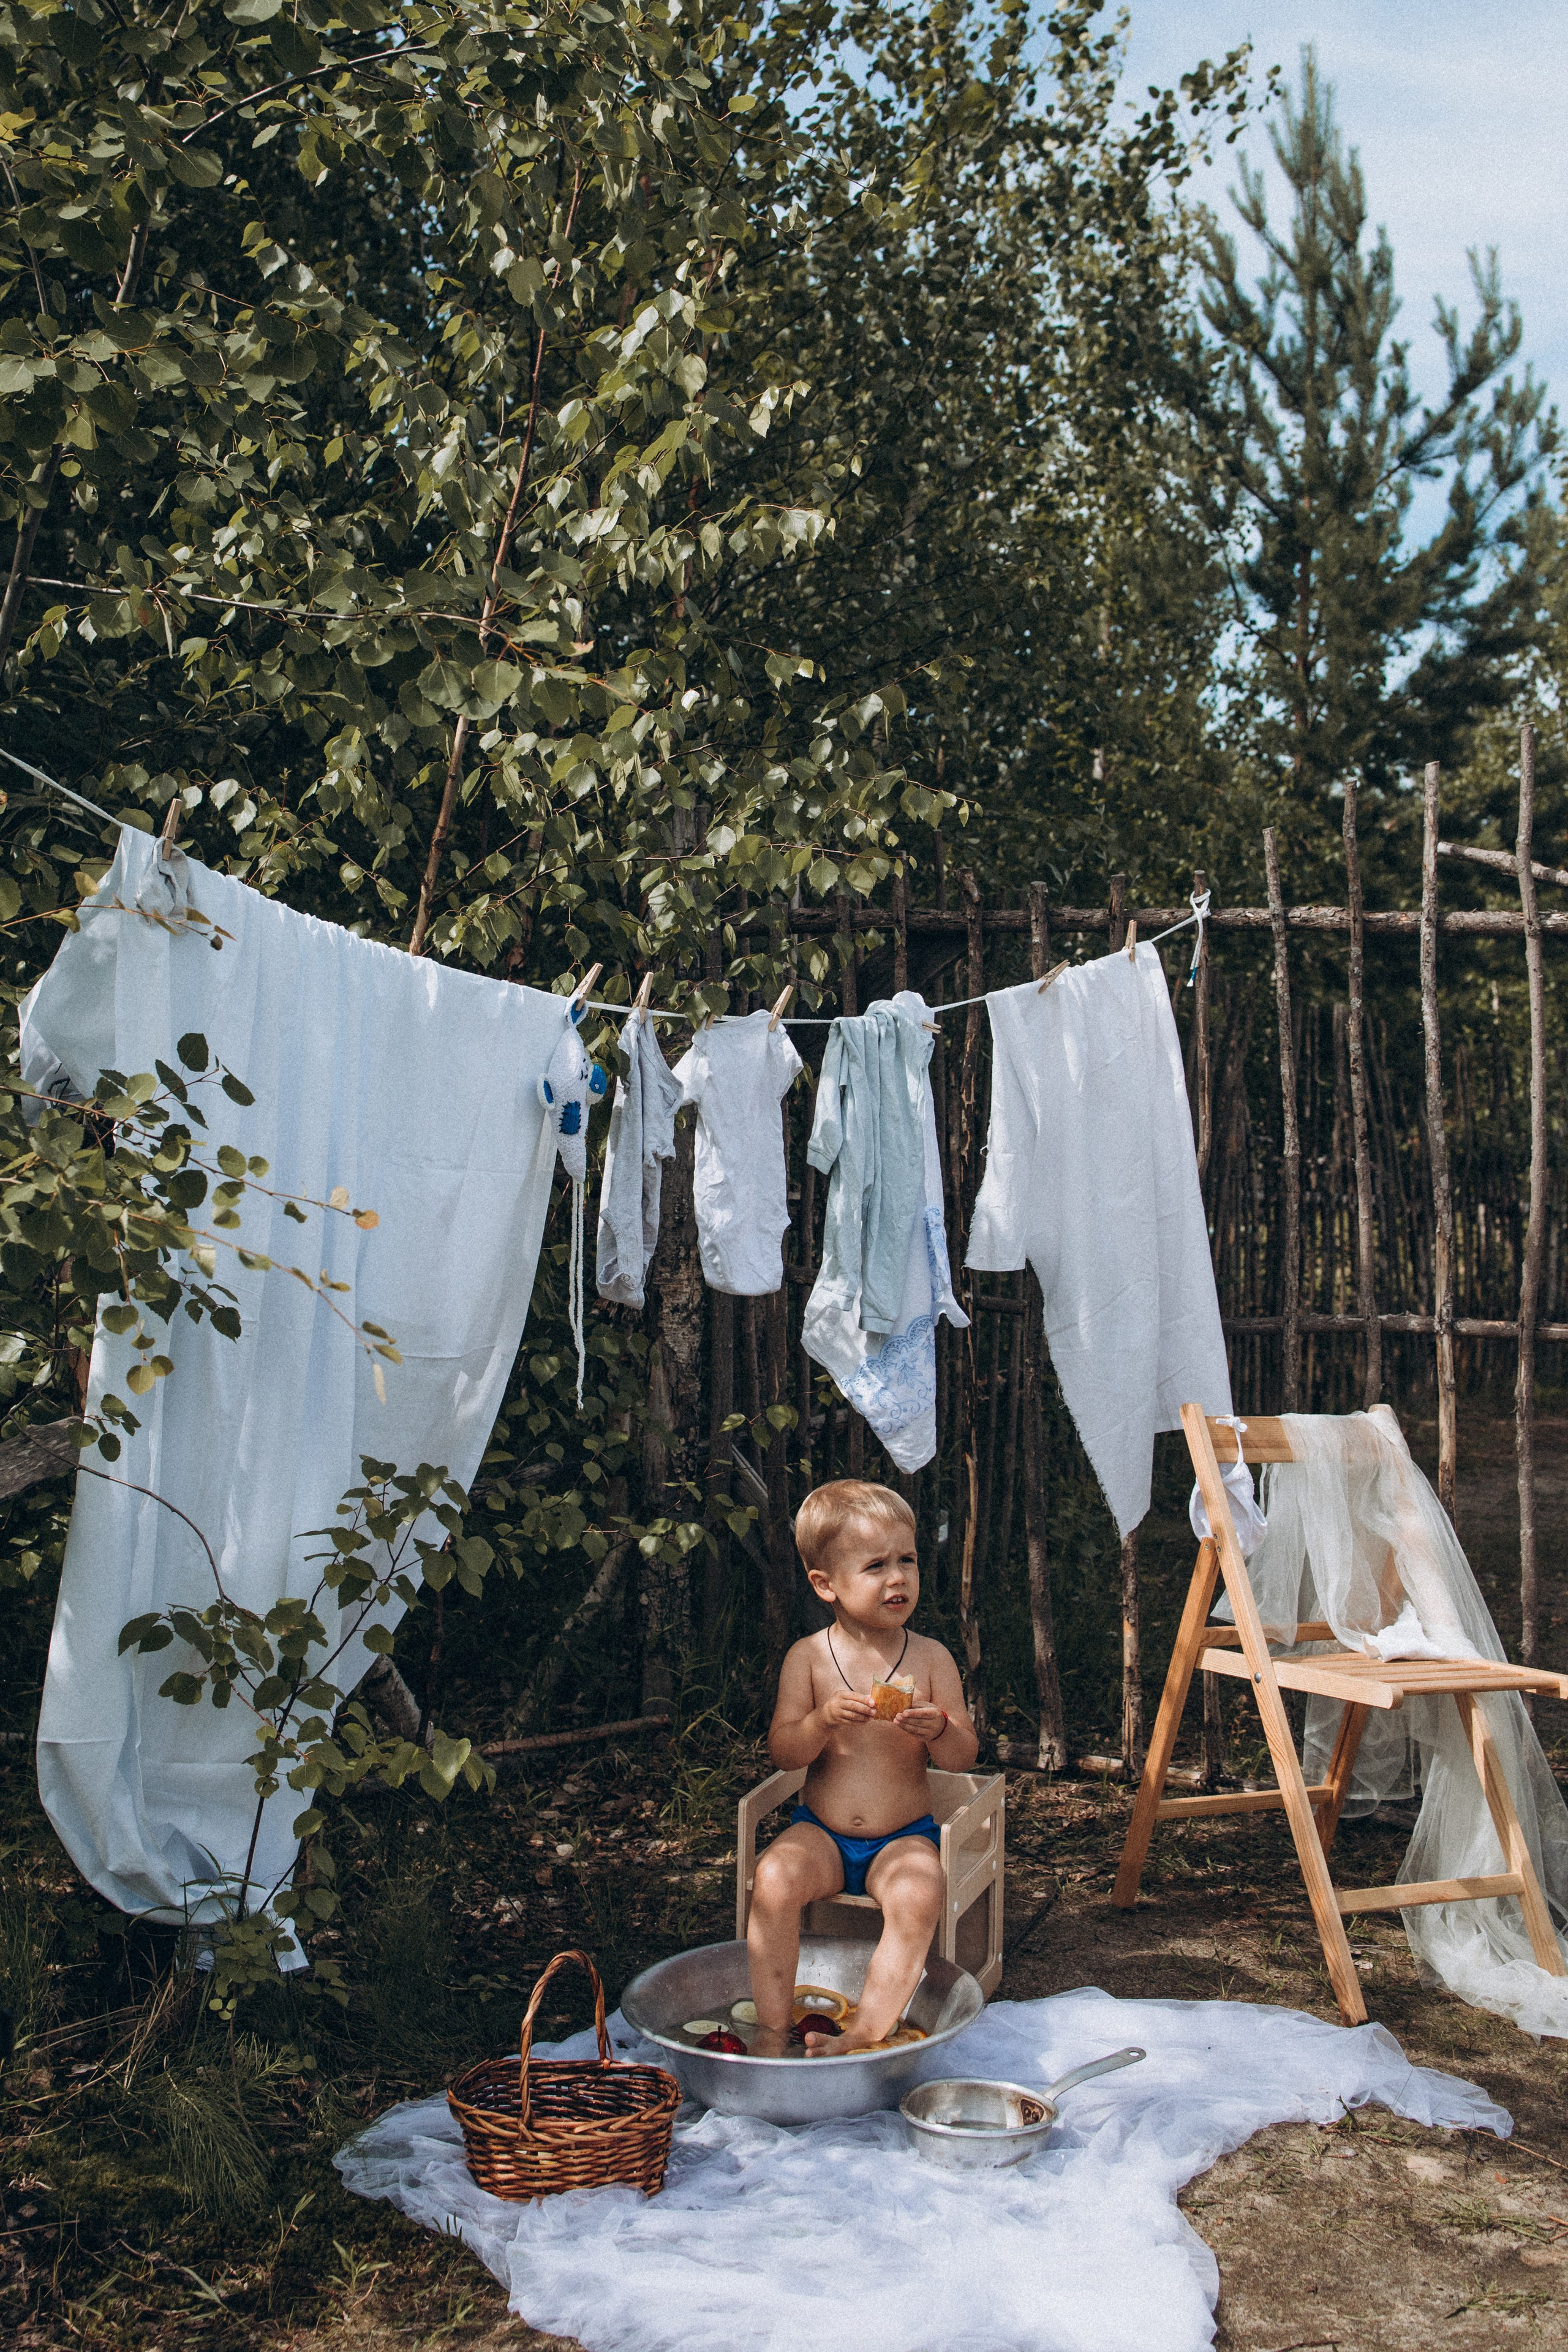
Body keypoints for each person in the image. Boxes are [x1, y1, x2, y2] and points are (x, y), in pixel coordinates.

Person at [747, 1479, 978, 2055]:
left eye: (908, 1561)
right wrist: (821, 1720)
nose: (898, 1578)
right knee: (773, 1878)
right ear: (825, 1584)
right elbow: (784, 1752)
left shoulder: (931, 1658)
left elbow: (964, 1757)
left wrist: (942, 1729)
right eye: (876, 1565)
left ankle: (865, 2030)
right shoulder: (809, 1657)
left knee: (921, 1890)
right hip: (820, 1833)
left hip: (903, 1837)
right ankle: (773, 2028)